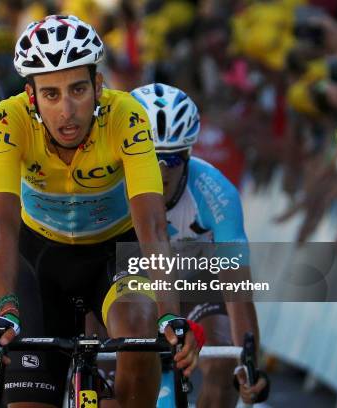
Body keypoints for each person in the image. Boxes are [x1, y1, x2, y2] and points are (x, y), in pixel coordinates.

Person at [0, 15, 203, 408]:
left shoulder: (127, 116)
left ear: (99, 85)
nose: (67, 110)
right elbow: (0, 229)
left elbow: (151, 225)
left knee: (137, 332)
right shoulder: (7, 120)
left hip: (114, 254)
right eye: (50, 95)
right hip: (39, 258)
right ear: (31, 97)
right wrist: (4, 309)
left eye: (78, 89)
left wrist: (170, 314)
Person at [131, 82, 270, 406]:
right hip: (130, 282)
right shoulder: (107, 186)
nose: (162, 169)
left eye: (173, 159)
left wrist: (249, 367)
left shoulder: (215, 193)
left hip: (195, 282)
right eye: (151, 158)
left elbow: (237, 294)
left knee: (223, 365)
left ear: (190, 153)